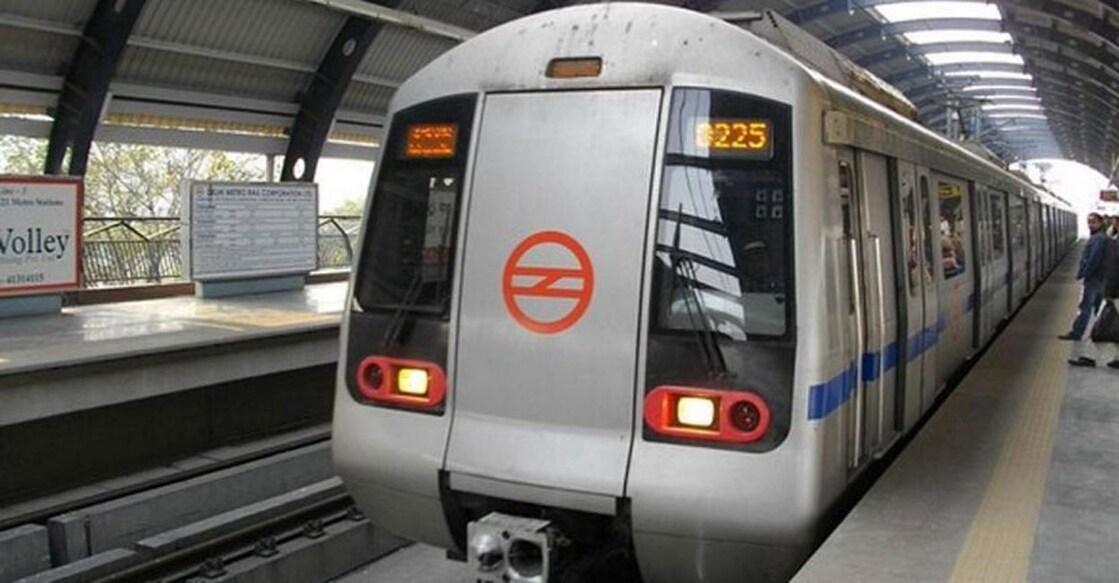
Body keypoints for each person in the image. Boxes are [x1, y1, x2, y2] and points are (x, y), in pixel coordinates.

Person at [1065, 213, 1111, 364]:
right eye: (1088, 222)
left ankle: (1079, 337)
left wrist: (1084, 273)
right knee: (1098, 313)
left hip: (1096, 280)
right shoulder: (1105, 238)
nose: (1090, 225)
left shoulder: (1099, 239)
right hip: (1103, 280)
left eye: (1093, 222)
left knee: (1088, 309)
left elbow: (1093, 259)